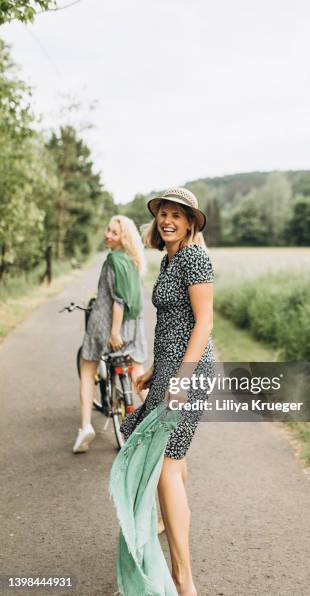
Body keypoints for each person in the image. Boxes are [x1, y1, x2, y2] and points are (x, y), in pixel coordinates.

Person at [117, 187, 214, 596]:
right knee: (171, 462)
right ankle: (166, 525)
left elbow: (204, 322)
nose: (168, 220)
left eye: (177, 214)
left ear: (191, 221)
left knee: (166, 466)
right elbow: (176, 323)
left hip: (189, 373)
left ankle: (182, 580)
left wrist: (181, 377)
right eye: (163, 214)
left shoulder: (194, 258)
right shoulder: (170, 259)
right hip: (171, 370)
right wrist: (156, 370)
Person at [73, 215, 148, 454]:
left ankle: (85, 427)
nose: (108, 235)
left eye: (115, 233)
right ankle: (161, 421)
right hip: (134, 328)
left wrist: (114, 332)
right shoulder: (134, 261)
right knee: (138, 375)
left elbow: (118, 302)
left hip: (106, 327)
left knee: (87, 370)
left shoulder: (113, 260)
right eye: (108, 230)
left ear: (123, 238)